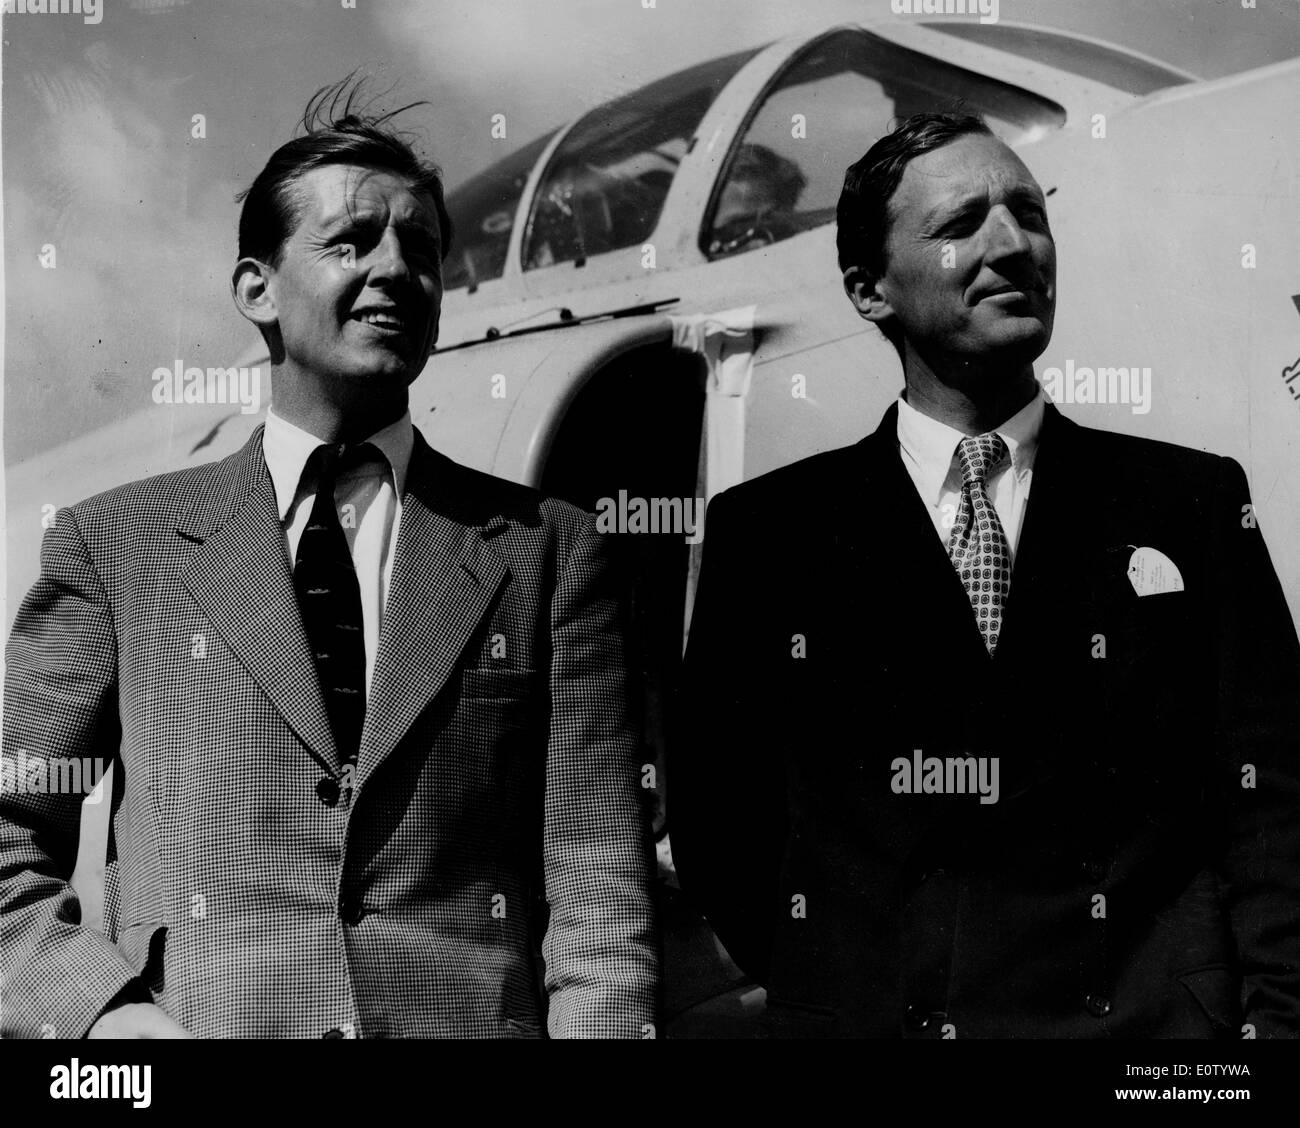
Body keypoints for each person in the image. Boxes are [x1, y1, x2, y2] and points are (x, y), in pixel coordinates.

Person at [0, 79, 657, 1039]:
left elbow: (601, 900)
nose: (396, 270)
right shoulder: (116, 545)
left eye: (421, 251)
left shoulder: (548, 550)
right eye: (351, 242)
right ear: (254, 289)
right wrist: (106, 1024)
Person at [671, 112, 1300, 1038]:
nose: (1013, 245)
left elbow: (1274, 796)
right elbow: (725, 831)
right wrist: (849, 990)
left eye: (1030, 214)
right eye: (961, 223)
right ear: (868, 289)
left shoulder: (1190, 502)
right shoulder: (770, 534)